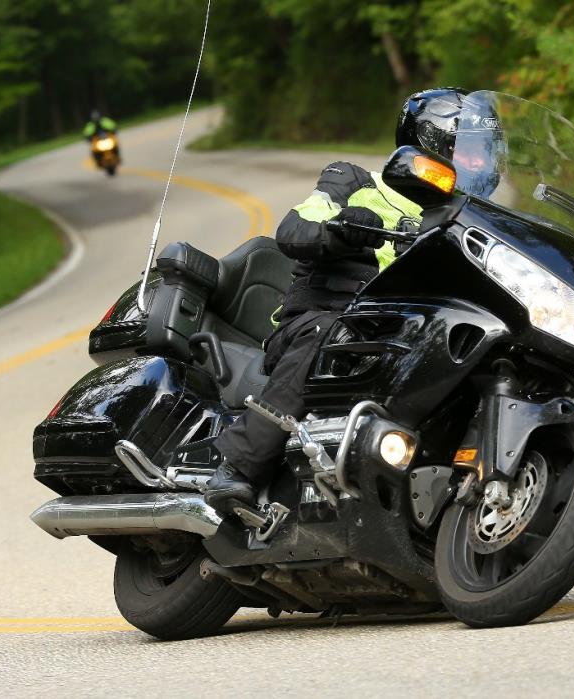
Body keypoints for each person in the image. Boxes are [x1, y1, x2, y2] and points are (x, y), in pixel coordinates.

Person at [204, 87, 503, 514]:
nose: (480, 164)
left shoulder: (469, 221)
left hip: (400, 338)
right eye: (471, 152)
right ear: (434, 143)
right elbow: (294, 230)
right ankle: (238, 468)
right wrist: (337, 232)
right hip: (321, 320)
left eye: (486, 155)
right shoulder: (354, 183)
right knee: (329, 334)